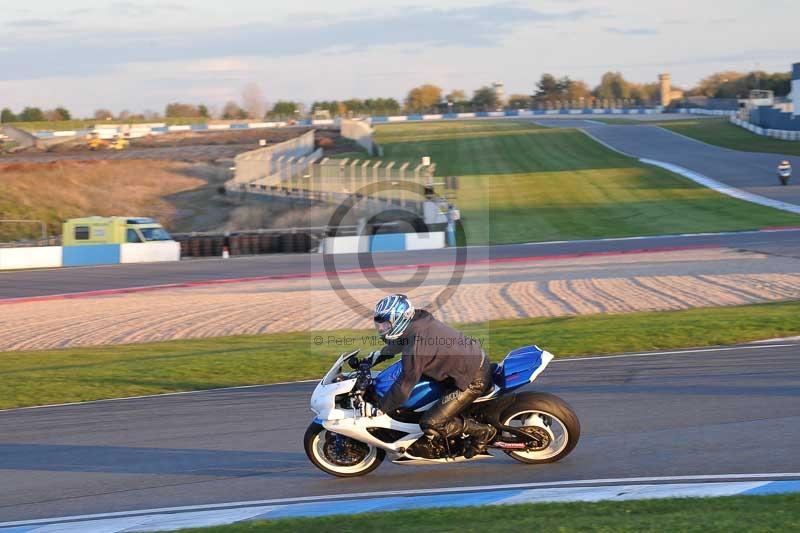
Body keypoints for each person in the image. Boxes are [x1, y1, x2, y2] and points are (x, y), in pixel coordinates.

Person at [366, 294, 497, 455]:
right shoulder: (416, 323)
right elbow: (397, 344)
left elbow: (404, 385)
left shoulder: (417, 346)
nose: (381, 329)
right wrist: (370, 360)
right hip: (466, 364)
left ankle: (483, 432)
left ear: (399, 320)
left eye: (386, 325)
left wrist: (380, 408)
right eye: (379, 325)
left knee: (431, 423)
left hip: (472, 378)